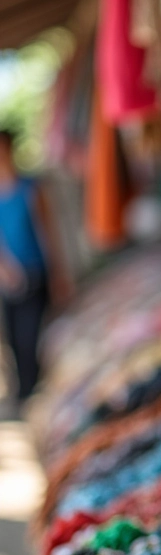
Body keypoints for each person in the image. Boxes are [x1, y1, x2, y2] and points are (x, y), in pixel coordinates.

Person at [0, 129, 71, 407]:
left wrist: (58, 273)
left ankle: (34, 392)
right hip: (9, 277)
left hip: (36, 272)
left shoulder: (30, 188)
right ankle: (23, 392)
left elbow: (46, 232)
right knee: (15, 338)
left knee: (33, 336)